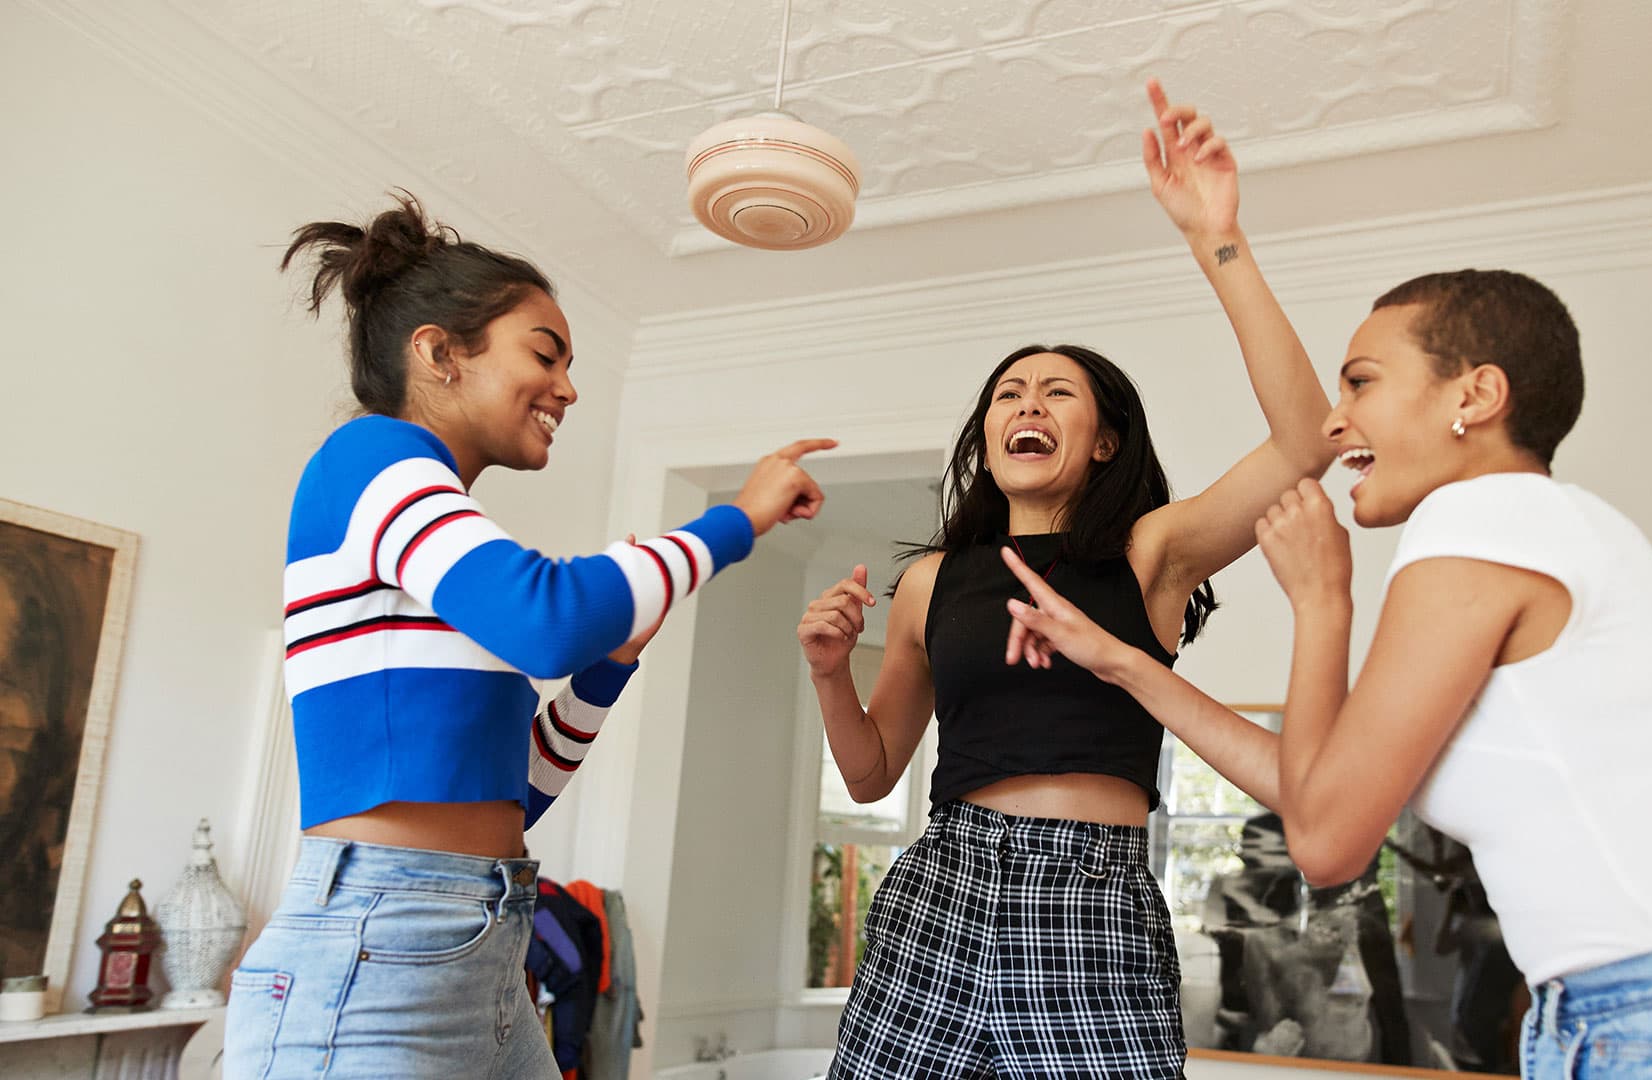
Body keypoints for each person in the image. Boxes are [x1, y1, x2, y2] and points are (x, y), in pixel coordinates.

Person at [998, 269, 1652, 1078]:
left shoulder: (1483, 517)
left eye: (1361, 381)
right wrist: (1120, 662)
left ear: (1474, 395)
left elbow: (1322, 841)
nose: (1335, 417)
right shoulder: (1537, 523)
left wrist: (1323, 603)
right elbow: (1308, 787)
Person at [795, 81, 1333, 1078]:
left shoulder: (1149, 554)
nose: (1024, 404)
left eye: (1055, 393)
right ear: (990, 439)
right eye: (1008, 393)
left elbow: (1309, 439)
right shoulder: (936, 583)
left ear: (1102, 441)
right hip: (941, 892)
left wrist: (1219, 238)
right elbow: (872, 774)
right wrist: (832, 671)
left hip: (1094, 904)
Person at [225, 194, 831, 1079]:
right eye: (544, 354)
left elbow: (517, 797)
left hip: (485, 943)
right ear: (438, 352)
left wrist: (610, 666)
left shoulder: (438, 557)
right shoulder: (370, 459)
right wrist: (733, 521)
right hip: (382, 947)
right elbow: (549, 617)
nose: (570, 388)